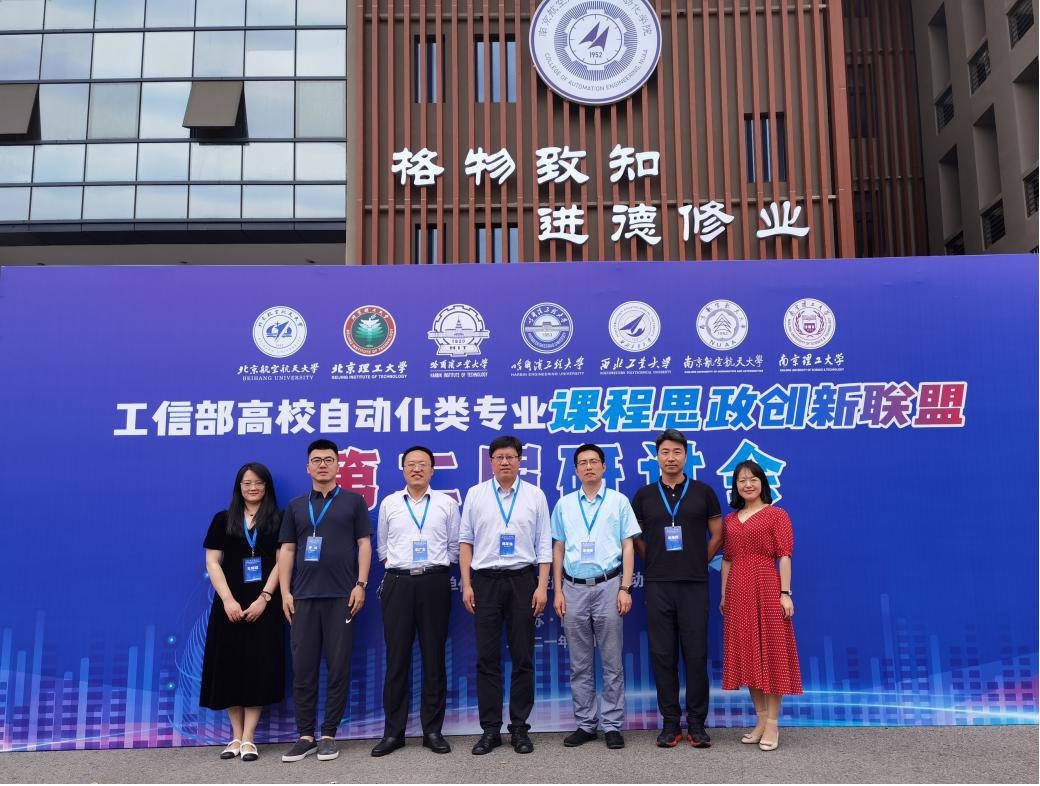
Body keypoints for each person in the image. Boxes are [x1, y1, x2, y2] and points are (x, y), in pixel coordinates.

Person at [278, 439, 372, 763]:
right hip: (303, 597)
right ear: (308, 467)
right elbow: (287, 550)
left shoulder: (354, 501)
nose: (322, 465)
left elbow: (364, 544)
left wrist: (361, 584)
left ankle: (329, 734)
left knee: (338, 667)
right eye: (316, 460)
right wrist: (285, 592)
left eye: (328, 459)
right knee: (303, 669)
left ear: (338, 465)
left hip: (342, 597)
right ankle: (305, 735)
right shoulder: (295, 506)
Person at [631, 429, 723, 749]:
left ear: (686, 455)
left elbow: (717, 534)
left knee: (696, 654)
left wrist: (698, 561)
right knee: (662, 655)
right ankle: (670, 723)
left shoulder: (703, 492)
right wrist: (653, 560)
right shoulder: (644, 495)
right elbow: (635, 537)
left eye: (677, 452)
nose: (671, 458)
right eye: (665, 452)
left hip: (694, 584)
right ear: (657, 457)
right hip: (658, 584)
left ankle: (697, 724)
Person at [460, 435, 551, 755]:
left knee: (523, 657)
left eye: (511, 457)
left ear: (520, 460)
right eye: (499, 457)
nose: (505, 462)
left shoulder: (535, 495)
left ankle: (520, 728)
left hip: (522, 580)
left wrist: (541, 586)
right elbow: (465, 542)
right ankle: (490, 729)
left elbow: (544, 544)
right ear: (491, 461)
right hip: (485, 582)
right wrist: (467, 584)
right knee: (487, 658)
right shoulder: (476, 494)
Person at [370, 445, 461, 757]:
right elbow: (382, 546)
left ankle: (432, 731)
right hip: (398, 582)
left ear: (432, 470)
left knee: (434, 657)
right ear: (403, 469)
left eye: (423, 464)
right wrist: (400, 569)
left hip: (435, 581)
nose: (417, 469)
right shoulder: (390, 503)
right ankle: (393, 733)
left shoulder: (446, 504)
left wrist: (433, 569)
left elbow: (454, 546)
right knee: (397, 659)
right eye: (411, 464)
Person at [551, 444, 640, 750]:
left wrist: (625, 588)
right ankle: (586, 724)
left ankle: (612, 725)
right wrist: (557, 590)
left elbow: (628, 545)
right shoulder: (564, 505)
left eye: (593, 462)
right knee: (580, 663)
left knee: (612, 661)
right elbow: (558, 548)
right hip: (573, 587)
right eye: (582, 463)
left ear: (604, 467)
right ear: (576, 470)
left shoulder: (618, 502)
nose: (588, 467)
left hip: (609, 586)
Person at [200, 463, 284, 763]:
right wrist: (227, 599)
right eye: (247, 483)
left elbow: (282, 561)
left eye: (258, 483)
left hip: (264, 603)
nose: (253, 488)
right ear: (239, 486)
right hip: (229, 603)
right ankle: (235, 736)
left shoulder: (278, 519)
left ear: (267, 486)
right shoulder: (223, 519)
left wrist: (265, 597)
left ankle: (249, 737)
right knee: (229, 666)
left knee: (257, 667)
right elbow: (212, 562)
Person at [720, 460, 802, 752]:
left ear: (762, 483)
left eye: (753, 479)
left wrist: (785, 593)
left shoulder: (777, 515)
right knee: (749, 655)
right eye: (741, 480)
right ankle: (760, 719)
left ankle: (773, 724)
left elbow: (784, 555)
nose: (748, 484)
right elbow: (726, 560)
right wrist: (724, 595)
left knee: (772, 653)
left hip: (767, 587)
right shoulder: (731, 520)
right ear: (735, 486)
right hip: (738, 591)